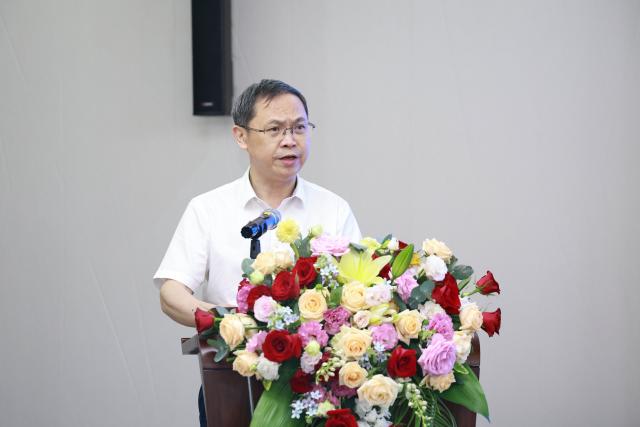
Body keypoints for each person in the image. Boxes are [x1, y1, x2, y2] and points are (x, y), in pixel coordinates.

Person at [153, 79, 362, 426]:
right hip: (232, 383)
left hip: (318, 387)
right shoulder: (209, 209)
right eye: (275, 129)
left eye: (299, 127)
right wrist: (228, 321)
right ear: (241, 136)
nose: (290, 140)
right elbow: (171, 292)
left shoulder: (333, 209)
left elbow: (359, 294)